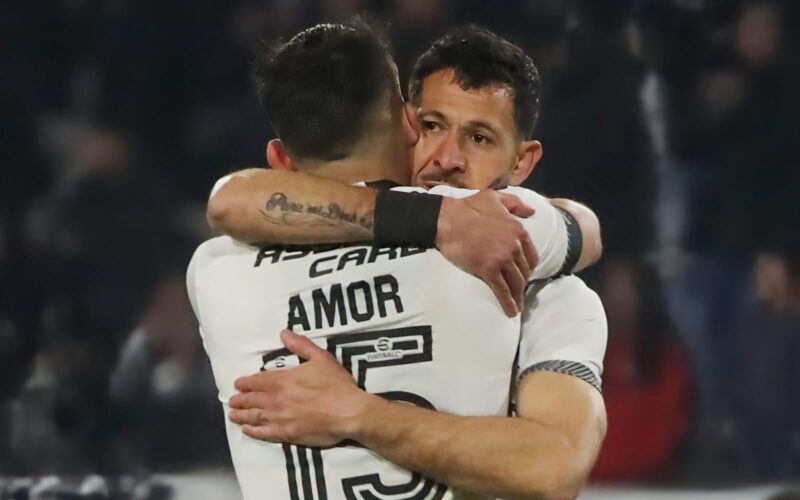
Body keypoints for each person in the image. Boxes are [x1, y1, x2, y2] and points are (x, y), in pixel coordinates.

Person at [188, 20, 607, 499]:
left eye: (479, 138)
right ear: (408, 124)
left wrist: (355, 412)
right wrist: (442, 218)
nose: (448, 159)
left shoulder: (216, 269)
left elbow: (230, 200)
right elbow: (582, 229)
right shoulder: (518, 243)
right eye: (433, 126)